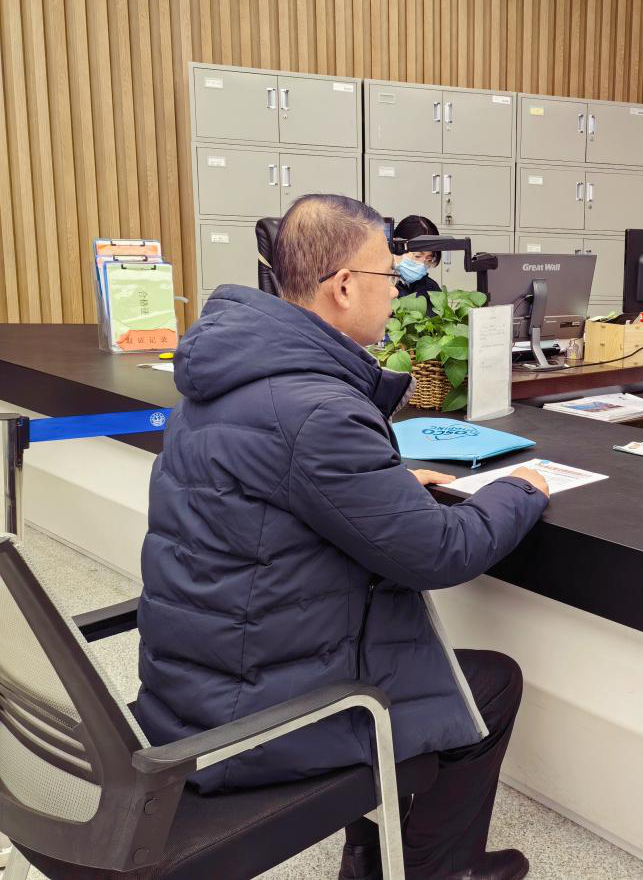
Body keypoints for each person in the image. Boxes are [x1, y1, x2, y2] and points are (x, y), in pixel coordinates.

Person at [135, 194, 547, 880]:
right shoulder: (317, 409)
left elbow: (281, 490)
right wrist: (521, 489)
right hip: (255, 720)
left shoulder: (231, 379)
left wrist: (381, 482)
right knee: (488, 684)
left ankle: (372, 863)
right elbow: (440, 552)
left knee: (396, 662)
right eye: (389, 275)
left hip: (193, 690)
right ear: (345, 285)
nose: (398, 291)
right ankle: (439, 874)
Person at [394, 214, 444, 312]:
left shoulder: (431, 288)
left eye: (429, 259)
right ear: (396, 246)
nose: (421, 265)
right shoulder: (380, 285)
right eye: (417, 256)